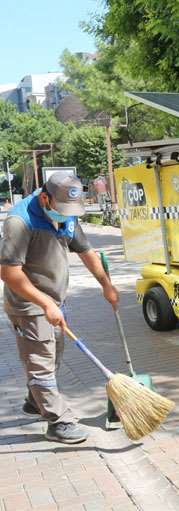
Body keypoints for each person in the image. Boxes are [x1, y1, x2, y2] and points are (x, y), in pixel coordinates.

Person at [0, 172, 119, 444]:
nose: (67, 216)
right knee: (42, 363)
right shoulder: (20, 222)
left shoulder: (66, 214)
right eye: (62, 209)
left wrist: (106, 285)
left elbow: (86, 251)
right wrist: (43, 303)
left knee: (53, 356)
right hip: (28, 306)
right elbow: (8, 273)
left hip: (55, 302)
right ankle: (59, 421)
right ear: (45, 198)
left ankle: (35, 399)